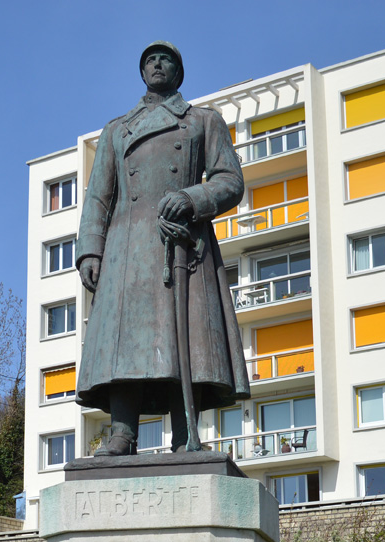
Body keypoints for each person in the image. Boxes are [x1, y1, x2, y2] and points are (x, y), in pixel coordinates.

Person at [77, 41, 249, 454]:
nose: (157, 64)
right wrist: (90, 250)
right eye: (150, 60)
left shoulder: (203, 120)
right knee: (124, 340)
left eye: (166, 59)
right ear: (142, 72)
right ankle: (122, 433)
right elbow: (98, 196)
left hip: (182, 243)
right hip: (126, 249)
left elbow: (230, 181)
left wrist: (192, 197)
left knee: (182, 336)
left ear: (178, 71)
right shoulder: (117, 130)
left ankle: (186, 434)